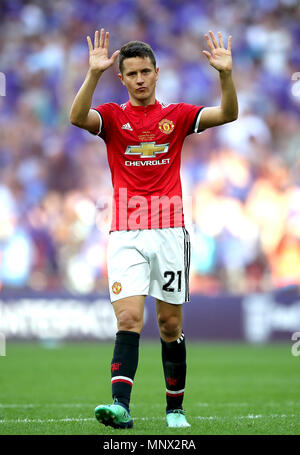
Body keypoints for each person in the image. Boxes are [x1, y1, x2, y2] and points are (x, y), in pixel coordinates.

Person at [70, 28, 238, 429]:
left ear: (157, 73)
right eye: (132, 74)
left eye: (146, 71)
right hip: (125, 231)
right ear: (122, 78)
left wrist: (225, 75)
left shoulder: (177, 116)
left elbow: (228, 114)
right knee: (128, 319)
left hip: (169, 231)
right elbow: (77, 117)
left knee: (170, 324)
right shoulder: (112, 117)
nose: (141, 79)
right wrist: (92, 74)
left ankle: (175, 408)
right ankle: (120, 406)